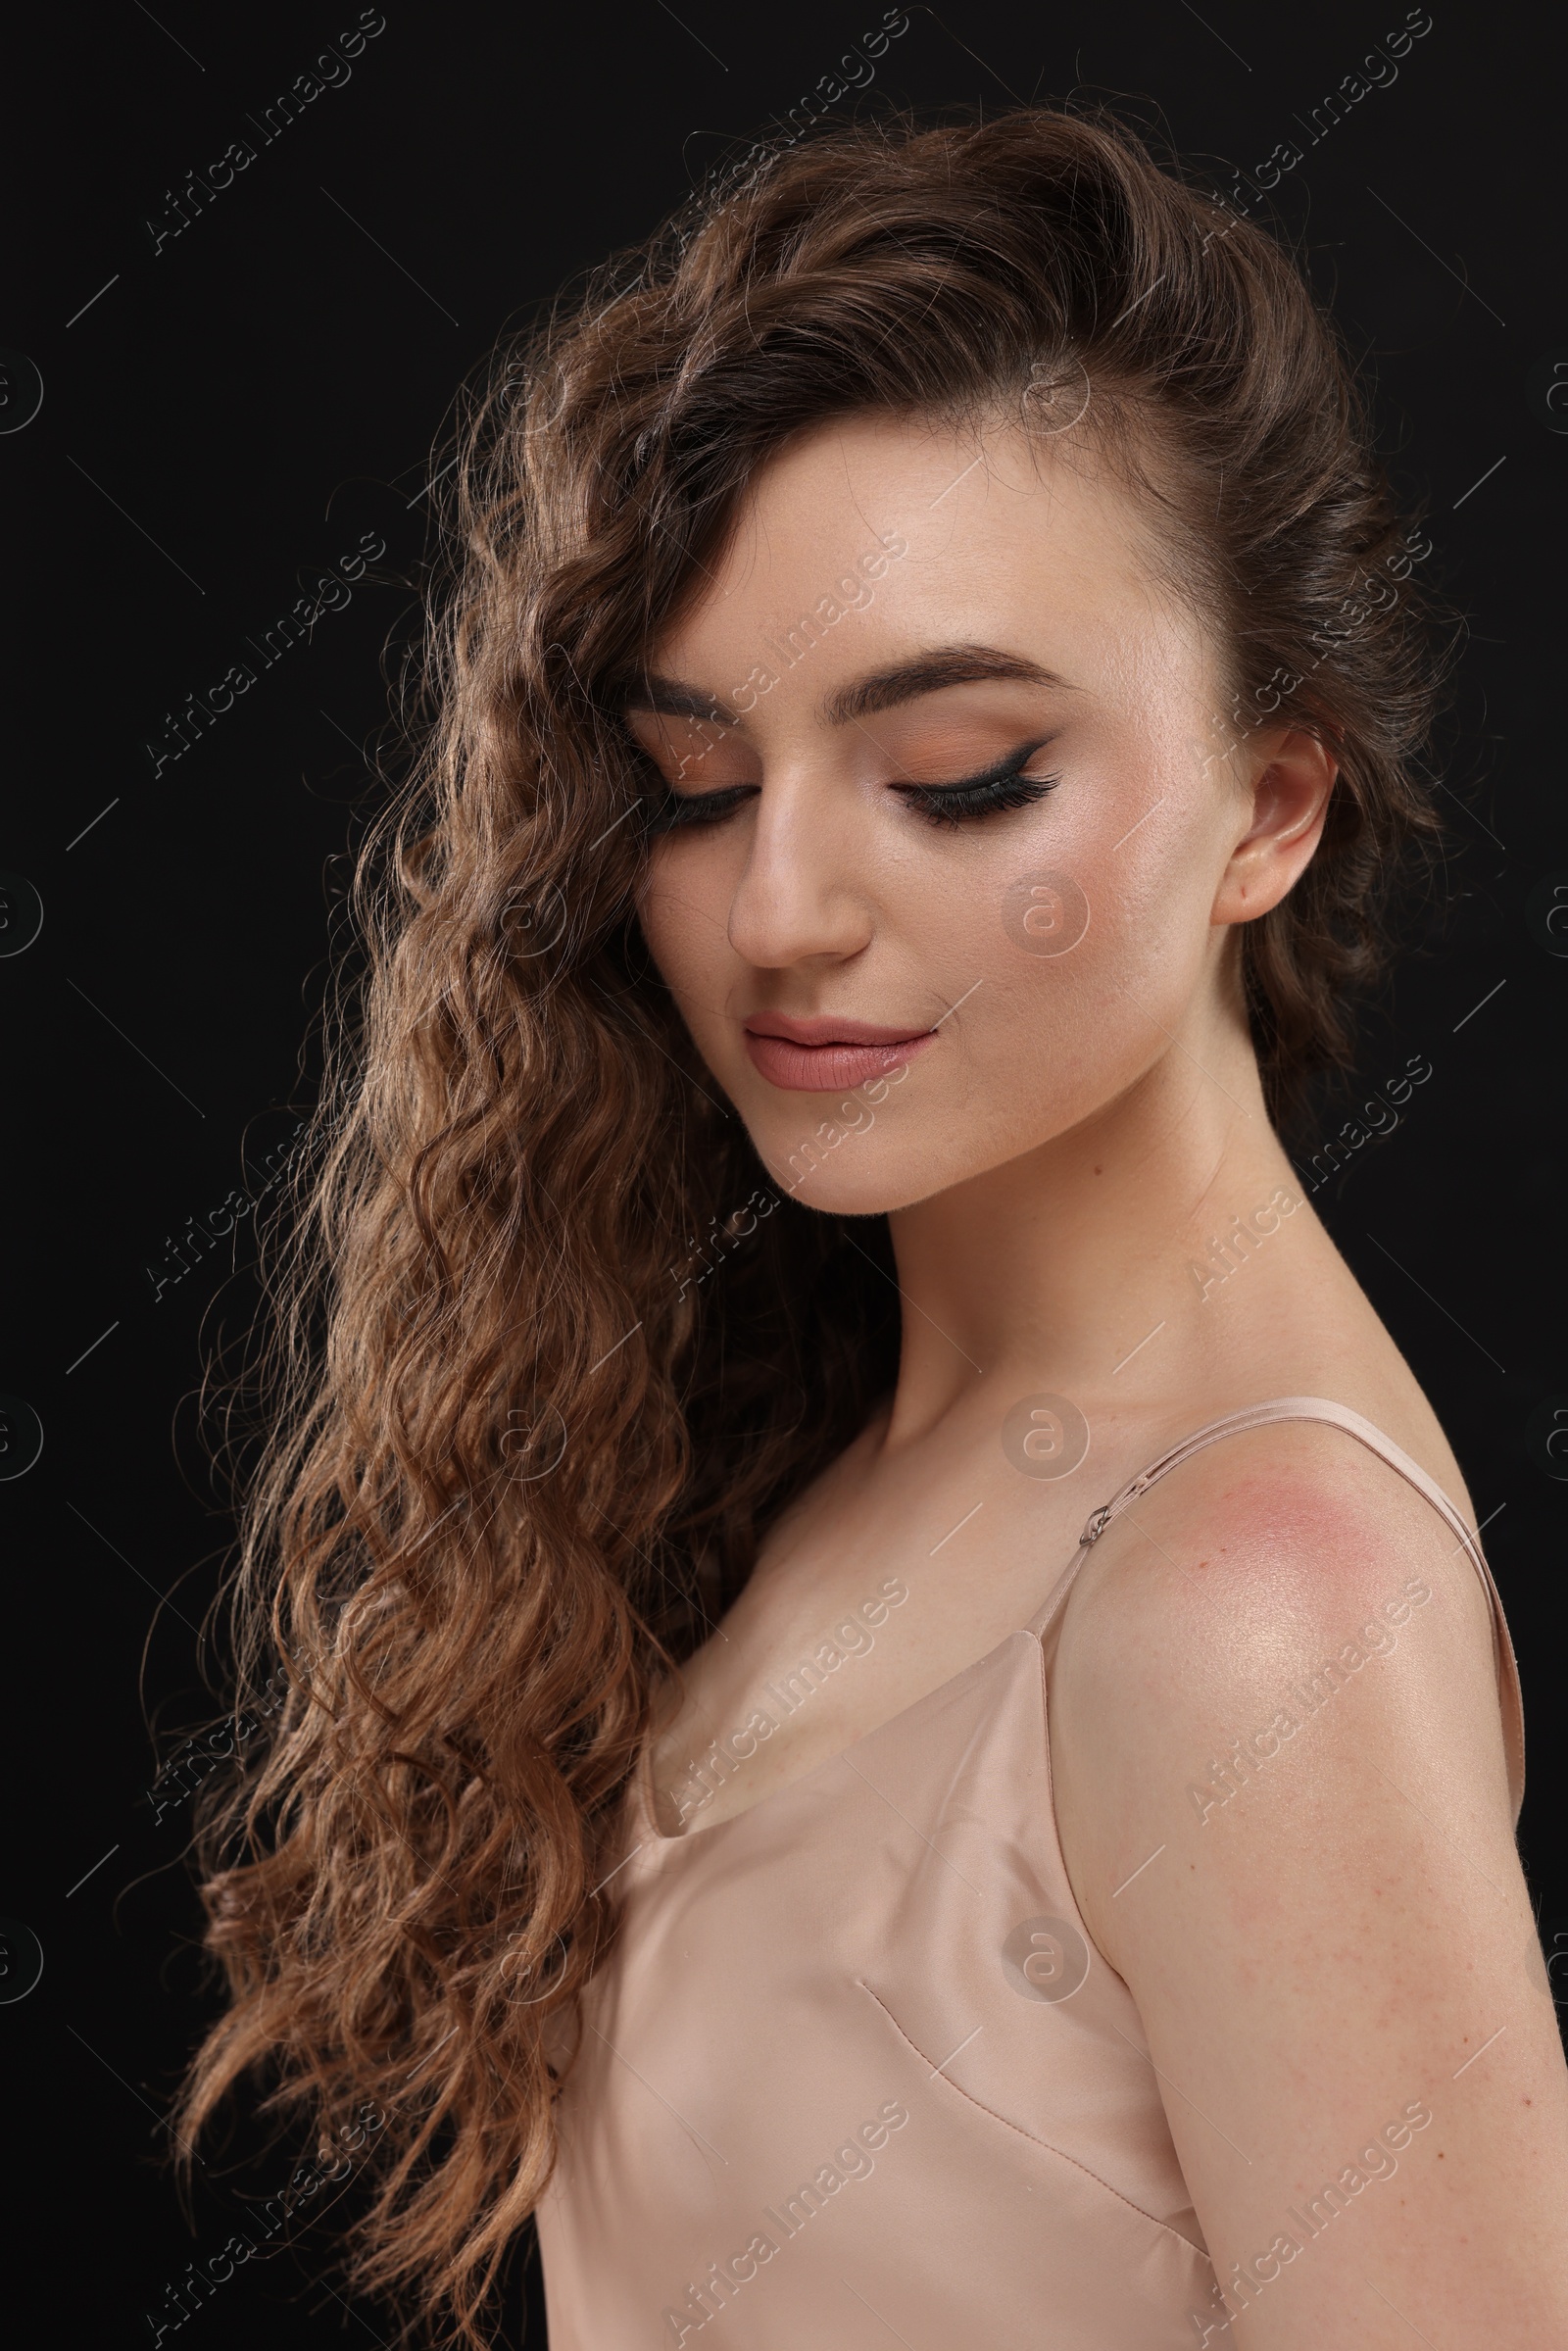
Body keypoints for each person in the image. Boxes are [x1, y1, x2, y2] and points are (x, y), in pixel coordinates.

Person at [178, 108, 1568, 2348]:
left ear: (1268, 801)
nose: (779, 910)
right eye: (697, 786)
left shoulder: (1249, 1604)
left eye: (954, 776)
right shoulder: (828, 1461)